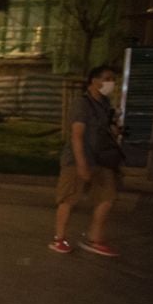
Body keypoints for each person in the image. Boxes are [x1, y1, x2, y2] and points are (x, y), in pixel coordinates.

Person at [51, 65, 122, 257]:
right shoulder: (82, 104)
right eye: (107, 78)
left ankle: (94, 238)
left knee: (107, 198)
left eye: (113, 79)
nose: (111, 83)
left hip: (102, 160)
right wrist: (81, 164)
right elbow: (76, 135)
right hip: (78, 158)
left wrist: (115, 129)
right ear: (94, 80)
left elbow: (107, 130)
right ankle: (59, 239)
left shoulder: (106, 104)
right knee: (69, 199)